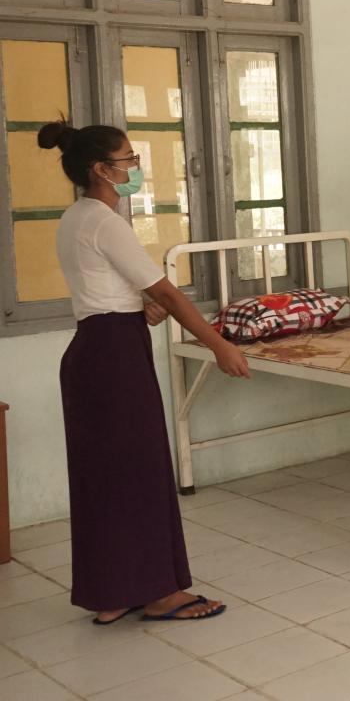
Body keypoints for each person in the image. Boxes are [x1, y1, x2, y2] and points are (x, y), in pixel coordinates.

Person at [38, 121, 249, 625]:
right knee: (140, 473)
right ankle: (160, 593)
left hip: (94, 350)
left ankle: (112, 594)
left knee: (105, 478)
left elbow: (110, 291)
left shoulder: (75, 217)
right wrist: (219, 344)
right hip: (114, 358)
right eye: (128, 159)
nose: (135, 167)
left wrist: (139, 308)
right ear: (101, 169)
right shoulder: (106, 222)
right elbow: (168, 293)